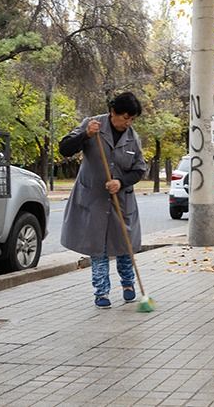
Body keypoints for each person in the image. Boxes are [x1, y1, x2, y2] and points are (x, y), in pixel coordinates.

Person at [59, 91, 148, 308]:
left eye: (132, 119)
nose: (127, 123)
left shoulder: (131, 137)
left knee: (124, 246)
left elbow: (139, 169)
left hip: (120, 201)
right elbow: (65, 148)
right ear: (112, 112)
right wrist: (86, 136)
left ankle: (128, 284)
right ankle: (101, 292)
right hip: (93, 200)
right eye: (125, 117)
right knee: (98, 248)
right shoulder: (92, 125)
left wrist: (121, 181)